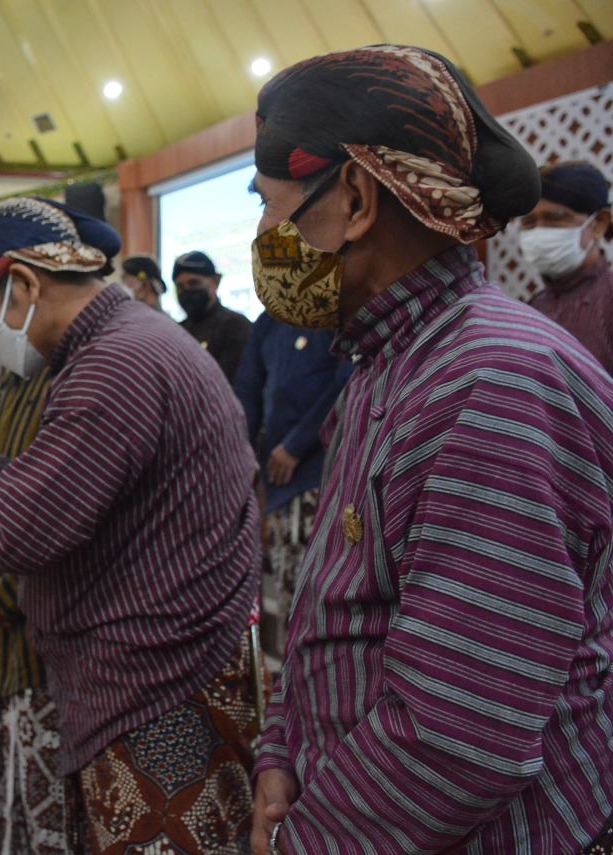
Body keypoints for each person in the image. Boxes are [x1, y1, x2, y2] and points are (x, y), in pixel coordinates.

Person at [245, 46, 613, 855]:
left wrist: (307, 842)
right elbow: (333, 606)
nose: (265, 237)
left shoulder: (491, 382)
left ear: (353, 197)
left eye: (270, 207)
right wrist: (282, 751)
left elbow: (459, 732)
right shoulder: (389, 361)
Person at [0, 197, 263, 852]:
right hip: (168, 669)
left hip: (157, 689)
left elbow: (10, 535)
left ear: (23, 284)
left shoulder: (113, 363)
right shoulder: (133, 341)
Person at [0, 360, 90, 853]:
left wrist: (4, 597)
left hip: (53, 660)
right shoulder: (11, 385)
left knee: (53, 816)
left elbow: (63, 518)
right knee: (14, 806)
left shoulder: (80, 381)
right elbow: (0, 499)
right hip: (11, 656)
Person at [232, 314, 352, 653]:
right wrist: (244, 460)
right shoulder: (269, 322)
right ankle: (292, 693)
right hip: (277, 480)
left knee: (319, 599)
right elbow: (247, 390)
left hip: (321, 473)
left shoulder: (331, 310)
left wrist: (296, 445)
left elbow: (346, 382)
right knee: (289, 599)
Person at [521, 160, 613, 376]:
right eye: (529, 222)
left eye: (555, 218)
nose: (540, 232)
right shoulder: (536, 305)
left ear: (599, 223)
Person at [172, 250, 252, 382]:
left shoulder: (235, 326)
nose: (186, 290)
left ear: (216, 281)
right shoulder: (176, 331)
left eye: (194, 283)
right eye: (180, 286)